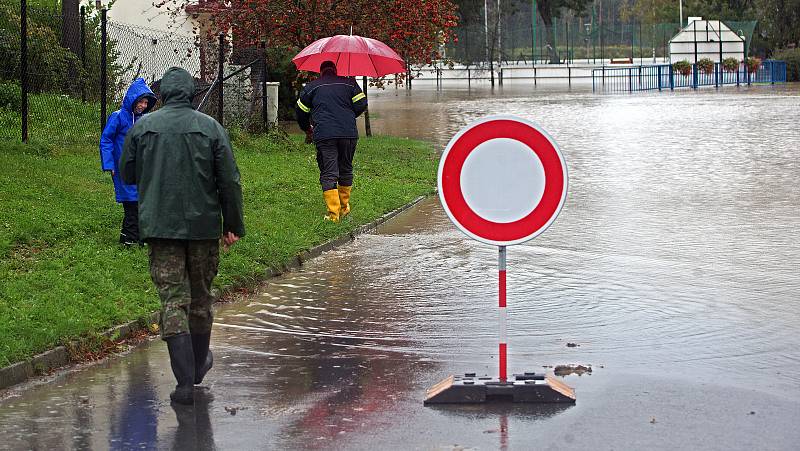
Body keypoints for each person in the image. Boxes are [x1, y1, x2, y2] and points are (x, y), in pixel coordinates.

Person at [119, 67, 245, 405]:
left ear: (161, 96)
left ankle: (184, 382)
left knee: (173, 299)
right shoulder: (211, 128)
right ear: (191, 95)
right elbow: (229, 181)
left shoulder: (144, 127)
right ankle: (199, 364)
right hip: (203, 228)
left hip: (161, 229)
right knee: (201, 297)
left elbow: (127, 172)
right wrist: (232, 225)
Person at [296, 60, 368, 222]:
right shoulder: (350, 83)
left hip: (325, 134)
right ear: (335, 70)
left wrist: (307, 128)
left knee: (329, 171)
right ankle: (344, 208)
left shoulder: (311, 87)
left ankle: (333, 215)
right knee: (346, 168)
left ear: (320, 72)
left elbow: (300, 112)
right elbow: (362, 103)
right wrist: (349, 115)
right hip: (348, 133)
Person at [100, 77, 157, 245]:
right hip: (122, 167)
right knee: (131, 203)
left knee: (140, 202)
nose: (143, 106)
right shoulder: (118, 117)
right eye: (141, 101)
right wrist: (109, 163)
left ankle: (132, 236)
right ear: (133, 99)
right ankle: (131, 238)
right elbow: (106, 140)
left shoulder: (143, 120)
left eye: (146, 103)